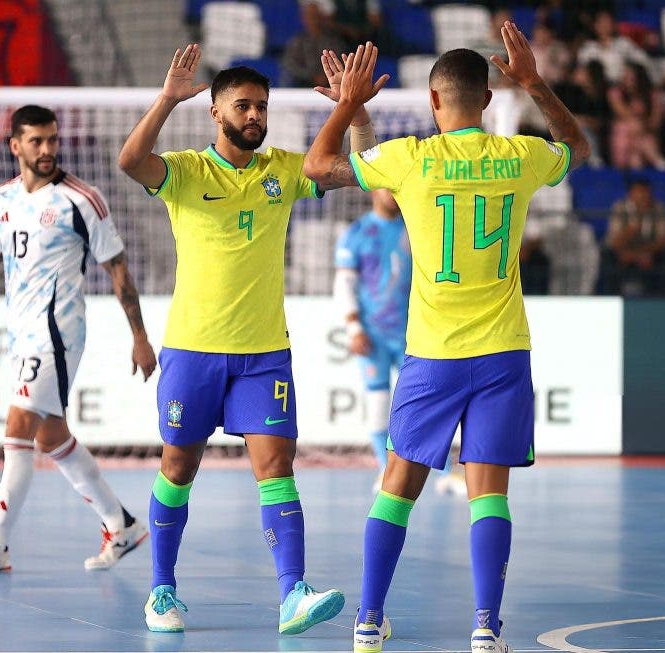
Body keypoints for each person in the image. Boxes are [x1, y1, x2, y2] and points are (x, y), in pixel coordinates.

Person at [304, 27, 590, 653]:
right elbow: (578, 145)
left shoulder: (411, 158)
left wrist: (350, 105)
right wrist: (535, 82)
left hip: (432, 354)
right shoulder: (519, 156)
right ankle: (486, 626)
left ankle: (368, 620)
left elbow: (317, 170)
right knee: (489, 493)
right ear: (488, 100)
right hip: (502, 352)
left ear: (433, 103)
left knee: (398, 485)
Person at [117, 44, 377, 635]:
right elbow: (131, 161)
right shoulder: (184, 171)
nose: (255, 116)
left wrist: (355, 113)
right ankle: (161, 591)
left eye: (262, 107)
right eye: (244, 106)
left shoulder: (285, 169)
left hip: (263, 354)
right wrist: (165, 99)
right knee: (179, 467)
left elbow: (365, 170)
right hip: (193, 350)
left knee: (277, 466)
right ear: (215, 112)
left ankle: (293, 594)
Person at [0, 105, 156, 574]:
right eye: (36, 141)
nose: (46, 150)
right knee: (51, 436)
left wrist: (139, 337)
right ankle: (121, 524)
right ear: (15, 146)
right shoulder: (2, 199)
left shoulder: (82, 200)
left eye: (52, 140)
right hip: (21, 333)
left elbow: (118, 267)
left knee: (17, 425)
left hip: (58, 333)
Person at [333, 190, 466, 494]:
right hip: (374, 337)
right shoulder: (356, 234)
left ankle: (446, 472)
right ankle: (384, 469)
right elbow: (344, 284)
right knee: (378, 404)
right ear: (372, 190)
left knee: (426, 404)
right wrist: (354, 328)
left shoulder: (417, 228)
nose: (391, 193)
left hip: (416, 335)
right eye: (384, 186)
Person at [599, 178, 665, 296]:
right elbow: (614, 242)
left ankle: (660, 302)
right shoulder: (619, 208)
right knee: (608, 259)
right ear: (630, 195)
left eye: (645, 194)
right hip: (623, 254)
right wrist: (635, 226)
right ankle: (610, 298)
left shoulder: (658, 208)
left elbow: (663, 240)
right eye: (638, 194)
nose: (642, 198)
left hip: (649, 253)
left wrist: (644, 254)